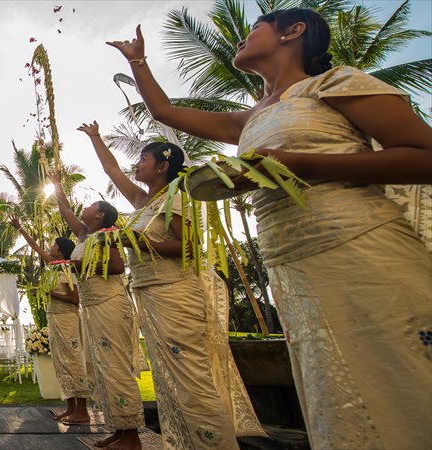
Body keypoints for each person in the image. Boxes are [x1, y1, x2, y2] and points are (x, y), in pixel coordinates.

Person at [109, 9, 432, 449]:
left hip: (358, 246)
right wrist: (138, 63)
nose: (242, 40)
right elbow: (164, 110)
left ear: (293, 31)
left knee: (396, 380)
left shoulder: (332, 84)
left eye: (252, 30)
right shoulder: (247, 119)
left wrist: (300, 163)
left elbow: (422, 155)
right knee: (337, 396)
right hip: (293, 267)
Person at [81, 127, 265, 448]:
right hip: (149, 294)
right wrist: (95, 138)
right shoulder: (141, 200)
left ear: (163, 165)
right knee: (170, 382)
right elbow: (112, 170)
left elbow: (188, 247)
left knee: (191, 377)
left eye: (143, 158)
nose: (137, 164)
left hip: (175, 293)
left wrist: (136, 240)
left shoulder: (177, 196)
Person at [49, 171, 145, 449]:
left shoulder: (109, 235)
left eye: (92, 205)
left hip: (109, 303)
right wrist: (56, 185)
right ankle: (118, 430)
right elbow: (64, 209)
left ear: (101, 215)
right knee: (99, 369)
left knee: (115, 367)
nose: (86, 207)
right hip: (91, 308)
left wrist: (80, 265)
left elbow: (117, 267)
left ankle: (133, 436)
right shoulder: (82, 234)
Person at [10, 217, 90, 425]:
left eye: (54, 245)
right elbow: (35, 246)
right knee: (62, 363)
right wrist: (20, 227)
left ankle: (82, 411)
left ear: (62, 250)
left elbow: (74, 300)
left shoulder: (68, 269)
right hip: (54, 318)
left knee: (73, 361)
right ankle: (70, 407)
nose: (50, 247)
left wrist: (50, 294)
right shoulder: (53, 267)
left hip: (68, 320)